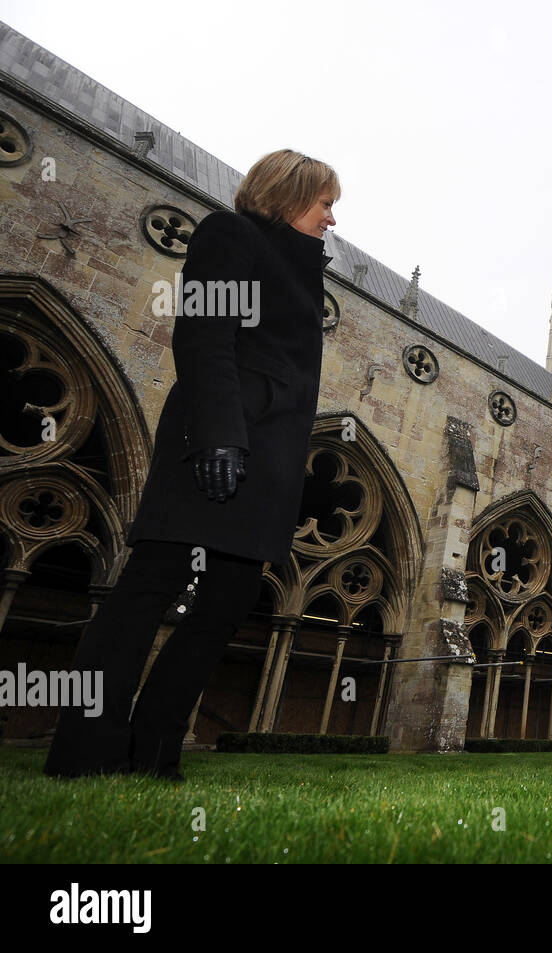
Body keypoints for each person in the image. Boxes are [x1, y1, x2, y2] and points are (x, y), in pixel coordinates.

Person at [44, 149, 340, 780]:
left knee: (225, 607)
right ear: (288, 196)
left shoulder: (304, 270)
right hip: (215, 447)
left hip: (266, 466)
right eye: (325, 203)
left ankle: (154, 752)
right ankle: (86, 751)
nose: (332, 218)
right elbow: (205, 333)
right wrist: (217, 436)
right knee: (147, 592)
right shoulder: (233, 235)